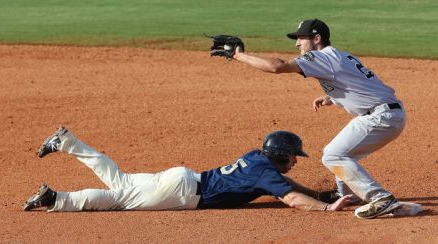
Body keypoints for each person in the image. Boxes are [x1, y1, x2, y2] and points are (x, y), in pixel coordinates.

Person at [231, 19, 406, 219]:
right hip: (386, 112)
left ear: (316, 38)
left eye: (301, 39)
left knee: (333, 155)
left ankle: (381, 198)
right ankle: (348, 195)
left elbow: (278, 67)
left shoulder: (321, 56)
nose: (297, 44)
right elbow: (358, 83)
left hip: (381, 116)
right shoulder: (339, 55)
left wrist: (240, 56)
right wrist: (331, 98)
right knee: (338, 152)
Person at [23, 127, 352, 212]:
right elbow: (291, 199)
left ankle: (66, 143)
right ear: (279, 154)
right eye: (293, 155)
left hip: (181, 180)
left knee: (120, 181)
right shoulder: (265, 173)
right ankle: (57, 199)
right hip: (181, 190)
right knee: (117, 198)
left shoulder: (258, 159)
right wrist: (325, 206)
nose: (295, 160)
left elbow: (285, 184)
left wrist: (316, 192)